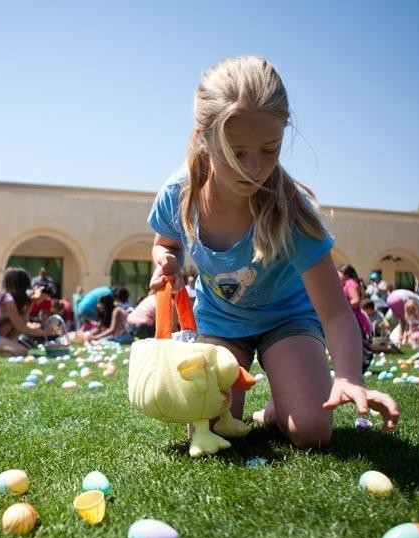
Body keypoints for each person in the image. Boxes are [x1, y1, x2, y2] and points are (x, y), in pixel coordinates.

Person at [147, 56, 398, 448]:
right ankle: (275, 402)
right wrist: (167, 261)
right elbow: (166, 243)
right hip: (220, 323)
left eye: (270, 148)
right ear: (203, 137)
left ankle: (279, 410)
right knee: (208, 427)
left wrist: (349, 375)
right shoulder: (180, 195)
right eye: (237, 152)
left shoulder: (291, 211)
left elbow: (334, 312)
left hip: (287, 320)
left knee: (311, 431)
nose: (254, 167)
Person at [0, 267, 61, 355]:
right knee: (23, 351)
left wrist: (32, 301)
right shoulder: (7, 299)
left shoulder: (2, 295)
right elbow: (22, 328)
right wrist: (45, 332)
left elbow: (22, 322)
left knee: (15, 325)